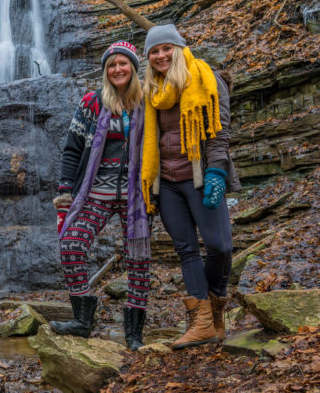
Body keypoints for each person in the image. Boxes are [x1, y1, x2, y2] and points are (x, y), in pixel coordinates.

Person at [140, 24, 240, 350]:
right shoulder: (150, 92)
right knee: (186, 250)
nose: (160, 55)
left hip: (198, 175)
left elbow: (219, 130)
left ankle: (215, 306)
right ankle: (201, 323)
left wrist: (216, 171)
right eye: (154, 51)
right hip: (165, 184)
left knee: (220, 246)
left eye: (165, 48)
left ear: (179, 48)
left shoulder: (204, 77)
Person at [51, 41, 152, 351]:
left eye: (123, 64)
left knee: (138, 260)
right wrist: (66, 190)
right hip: (95, 193)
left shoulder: (148, 101)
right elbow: (73, 147)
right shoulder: (92, 103)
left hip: (136, 195)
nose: (117, 69)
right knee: (71, 244)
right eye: (111, 65)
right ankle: (82, 320)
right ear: (106, 70)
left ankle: (133, 334)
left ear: (134, 68)